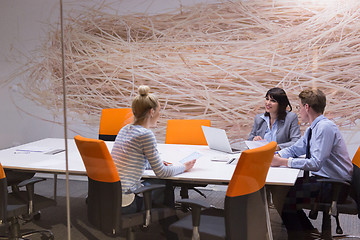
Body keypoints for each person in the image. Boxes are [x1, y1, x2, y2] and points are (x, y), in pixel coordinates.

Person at [271, 88, 353, 240]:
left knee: (282, 196)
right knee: (282, 190)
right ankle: (306, 232)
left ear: (307, 107)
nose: (299, 111)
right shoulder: (313, 128)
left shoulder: (324, 128)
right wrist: (278, 155)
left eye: (299, 107)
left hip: (336, 186)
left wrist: (283, 162)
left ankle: (301, 235)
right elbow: (297, 148)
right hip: (326, 181)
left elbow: (315, 163)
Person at [111, 85, 196, 213]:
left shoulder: (125, 129)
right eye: (159, 110)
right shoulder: (145, 134)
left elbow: (132, 162)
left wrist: (153, 164)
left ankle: (164, 223)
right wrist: (184, 166)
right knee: (165, 183)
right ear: (151, 112)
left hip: (112, 195)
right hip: (127, 200)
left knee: (157, 180)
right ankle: (169, 225)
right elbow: (162, 173)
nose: (159, 114)